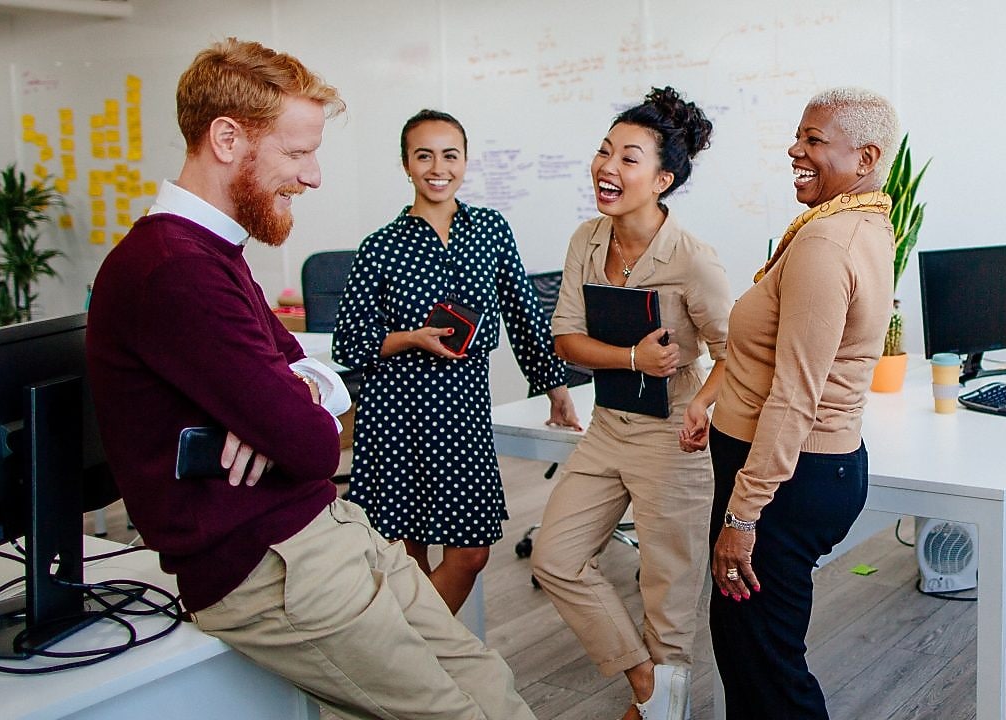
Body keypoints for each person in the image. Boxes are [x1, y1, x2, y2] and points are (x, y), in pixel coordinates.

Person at [85, 38, 536, 720]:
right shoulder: (174, 267)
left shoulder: (214, 251)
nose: (315, 175)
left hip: (323, 528)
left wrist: (295, 396)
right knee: (464, 712)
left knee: (488, 678)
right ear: (228, 138)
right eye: (297, 154)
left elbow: (311, 371)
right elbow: (315, 443)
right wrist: (292, 410)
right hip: (270, 568)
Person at [530, 87, 733, 720]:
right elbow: (566, 337)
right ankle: (648, 679)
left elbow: (740, 353)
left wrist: (702, 402)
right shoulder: (587, 239)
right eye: (603, 152)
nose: (607, 168)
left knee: (667, 586)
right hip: (607, 425)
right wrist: (630, 359)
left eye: (629, 158)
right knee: (555, 557)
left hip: (673, 433)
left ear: (663, 179)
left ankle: (665, 703)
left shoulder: (695, 261)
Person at [698, 87, 900, 719]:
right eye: (800, 136)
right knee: (753, 648)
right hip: (812, 470)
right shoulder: (865, 223)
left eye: (814, 140)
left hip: (782, 481)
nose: (796, 150)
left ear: (864, 155)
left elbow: (794, 398)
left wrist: (741, 516)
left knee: (765, 666)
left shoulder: (824, 245)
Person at [333, 109, 580, 615]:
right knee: (405, 555)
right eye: (424, 155)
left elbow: (523, 312)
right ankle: (424, 671)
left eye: (450, 154)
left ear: (465, 161)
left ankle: (414, 655)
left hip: (463, 407)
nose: (437, 167)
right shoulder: (380, 248)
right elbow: (349, 345)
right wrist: (410, 338)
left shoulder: (489, 229)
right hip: (395, 412)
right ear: (406, 164)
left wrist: (554, 388)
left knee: (470, 552)